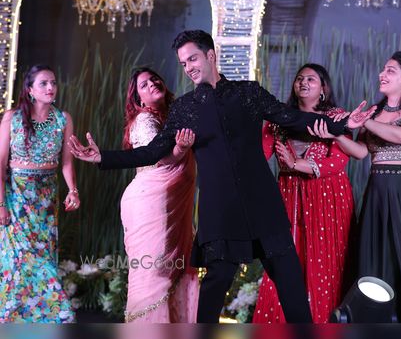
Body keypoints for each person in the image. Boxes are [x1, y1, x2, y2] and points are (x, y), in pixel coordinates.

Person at [69, 30, 375, 323]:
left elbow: (292, 117)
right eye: (183, 63)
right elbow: (152, 152)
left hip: (263, 203)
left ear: (211, 55)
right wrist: (102, 157)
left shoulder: (248, 92)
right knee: (216, 283)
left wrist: (343, 124)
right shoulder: (186, 108)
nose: (188, 67)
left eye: (192, 59)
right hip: (221, 210)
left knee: (290, 282)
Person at [310, 51, 401, 322]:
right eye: (383, 70)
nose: (381, 75)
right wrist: (335, 134)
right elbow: (361, 152)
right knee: (378, 260)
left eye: (390, 71)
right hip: (378, 193)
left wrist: (363, 121)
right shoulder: (374, 111)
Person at [253, 64, 356, 323]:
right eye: (299, 78)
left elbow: (339, 161)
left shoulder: (336, 117)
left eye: (311, 79)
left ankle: (325, 323)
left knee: (326, 261)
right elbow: (258, 156)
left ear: (323, 88)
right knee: (286, 260)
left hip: (328, 197)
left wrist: (298, 164)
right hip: (288, 196)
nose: (303, 82)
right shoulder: (278, 118)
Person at [0, 64, 79, 323]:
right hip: (16, 199)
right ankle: (12, 319)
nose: (50, 87)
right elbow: (0, 163)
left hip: (46, 201)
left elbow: (66, 162)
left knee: (43, 261)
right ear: (30, 90)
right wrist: (1, 204)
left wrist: (73, 190)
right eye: (43, 83)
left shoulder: (63, 119)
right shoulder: (12, 118)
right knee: (19, 262)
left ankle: (44, 321)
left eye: (53, 82)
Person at [120, 67, 199, 323]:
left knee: (175, 270)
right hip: (150, 203)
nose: (152, 84)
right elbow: (159, 159)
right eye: (144, 85)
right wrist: (180, 149)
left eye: (154, 79)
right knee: (155, 276)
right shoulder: (144, 120)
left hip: (172, 202)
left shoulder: (175, 116)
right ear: (139, 99)